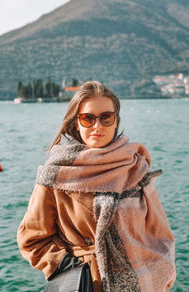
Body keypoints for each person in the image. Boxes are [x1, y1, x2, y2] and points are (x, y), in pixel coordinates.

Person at [17, 81, 176, 291]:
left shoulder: (136, 168)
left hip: (145, 284)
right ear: (76, 123)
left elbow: (160, 235)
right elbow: (32, 239)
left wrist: (161, 271)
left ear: (115, 121)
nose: (97, 126)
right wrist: (72, 267)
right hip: (89, 284)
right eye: (88, 118)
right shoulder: (56, 174)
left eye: (105, 117)